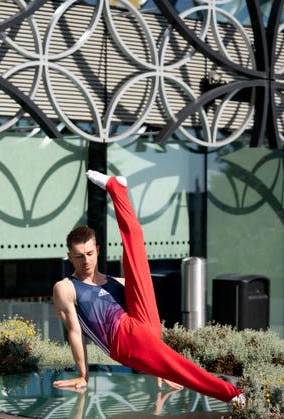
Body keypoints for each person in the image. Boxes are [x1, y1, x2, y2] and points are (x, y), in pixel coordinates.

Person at [52, 170, 246, 411]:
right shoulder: (66, 287)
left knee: (135, 246)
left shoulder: (116, 281)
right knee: (183, 369)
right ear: (70, 257)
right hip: (124, 342)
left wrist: (155, 366)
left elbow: (148, 339)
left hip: (145, 327)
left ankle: (117, 190)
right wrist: (83, 375)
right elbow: (74, 331)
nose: (86, 261)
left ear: (98, 250)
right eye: (79, 256)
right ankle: (234, 395)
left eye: (90, 254)